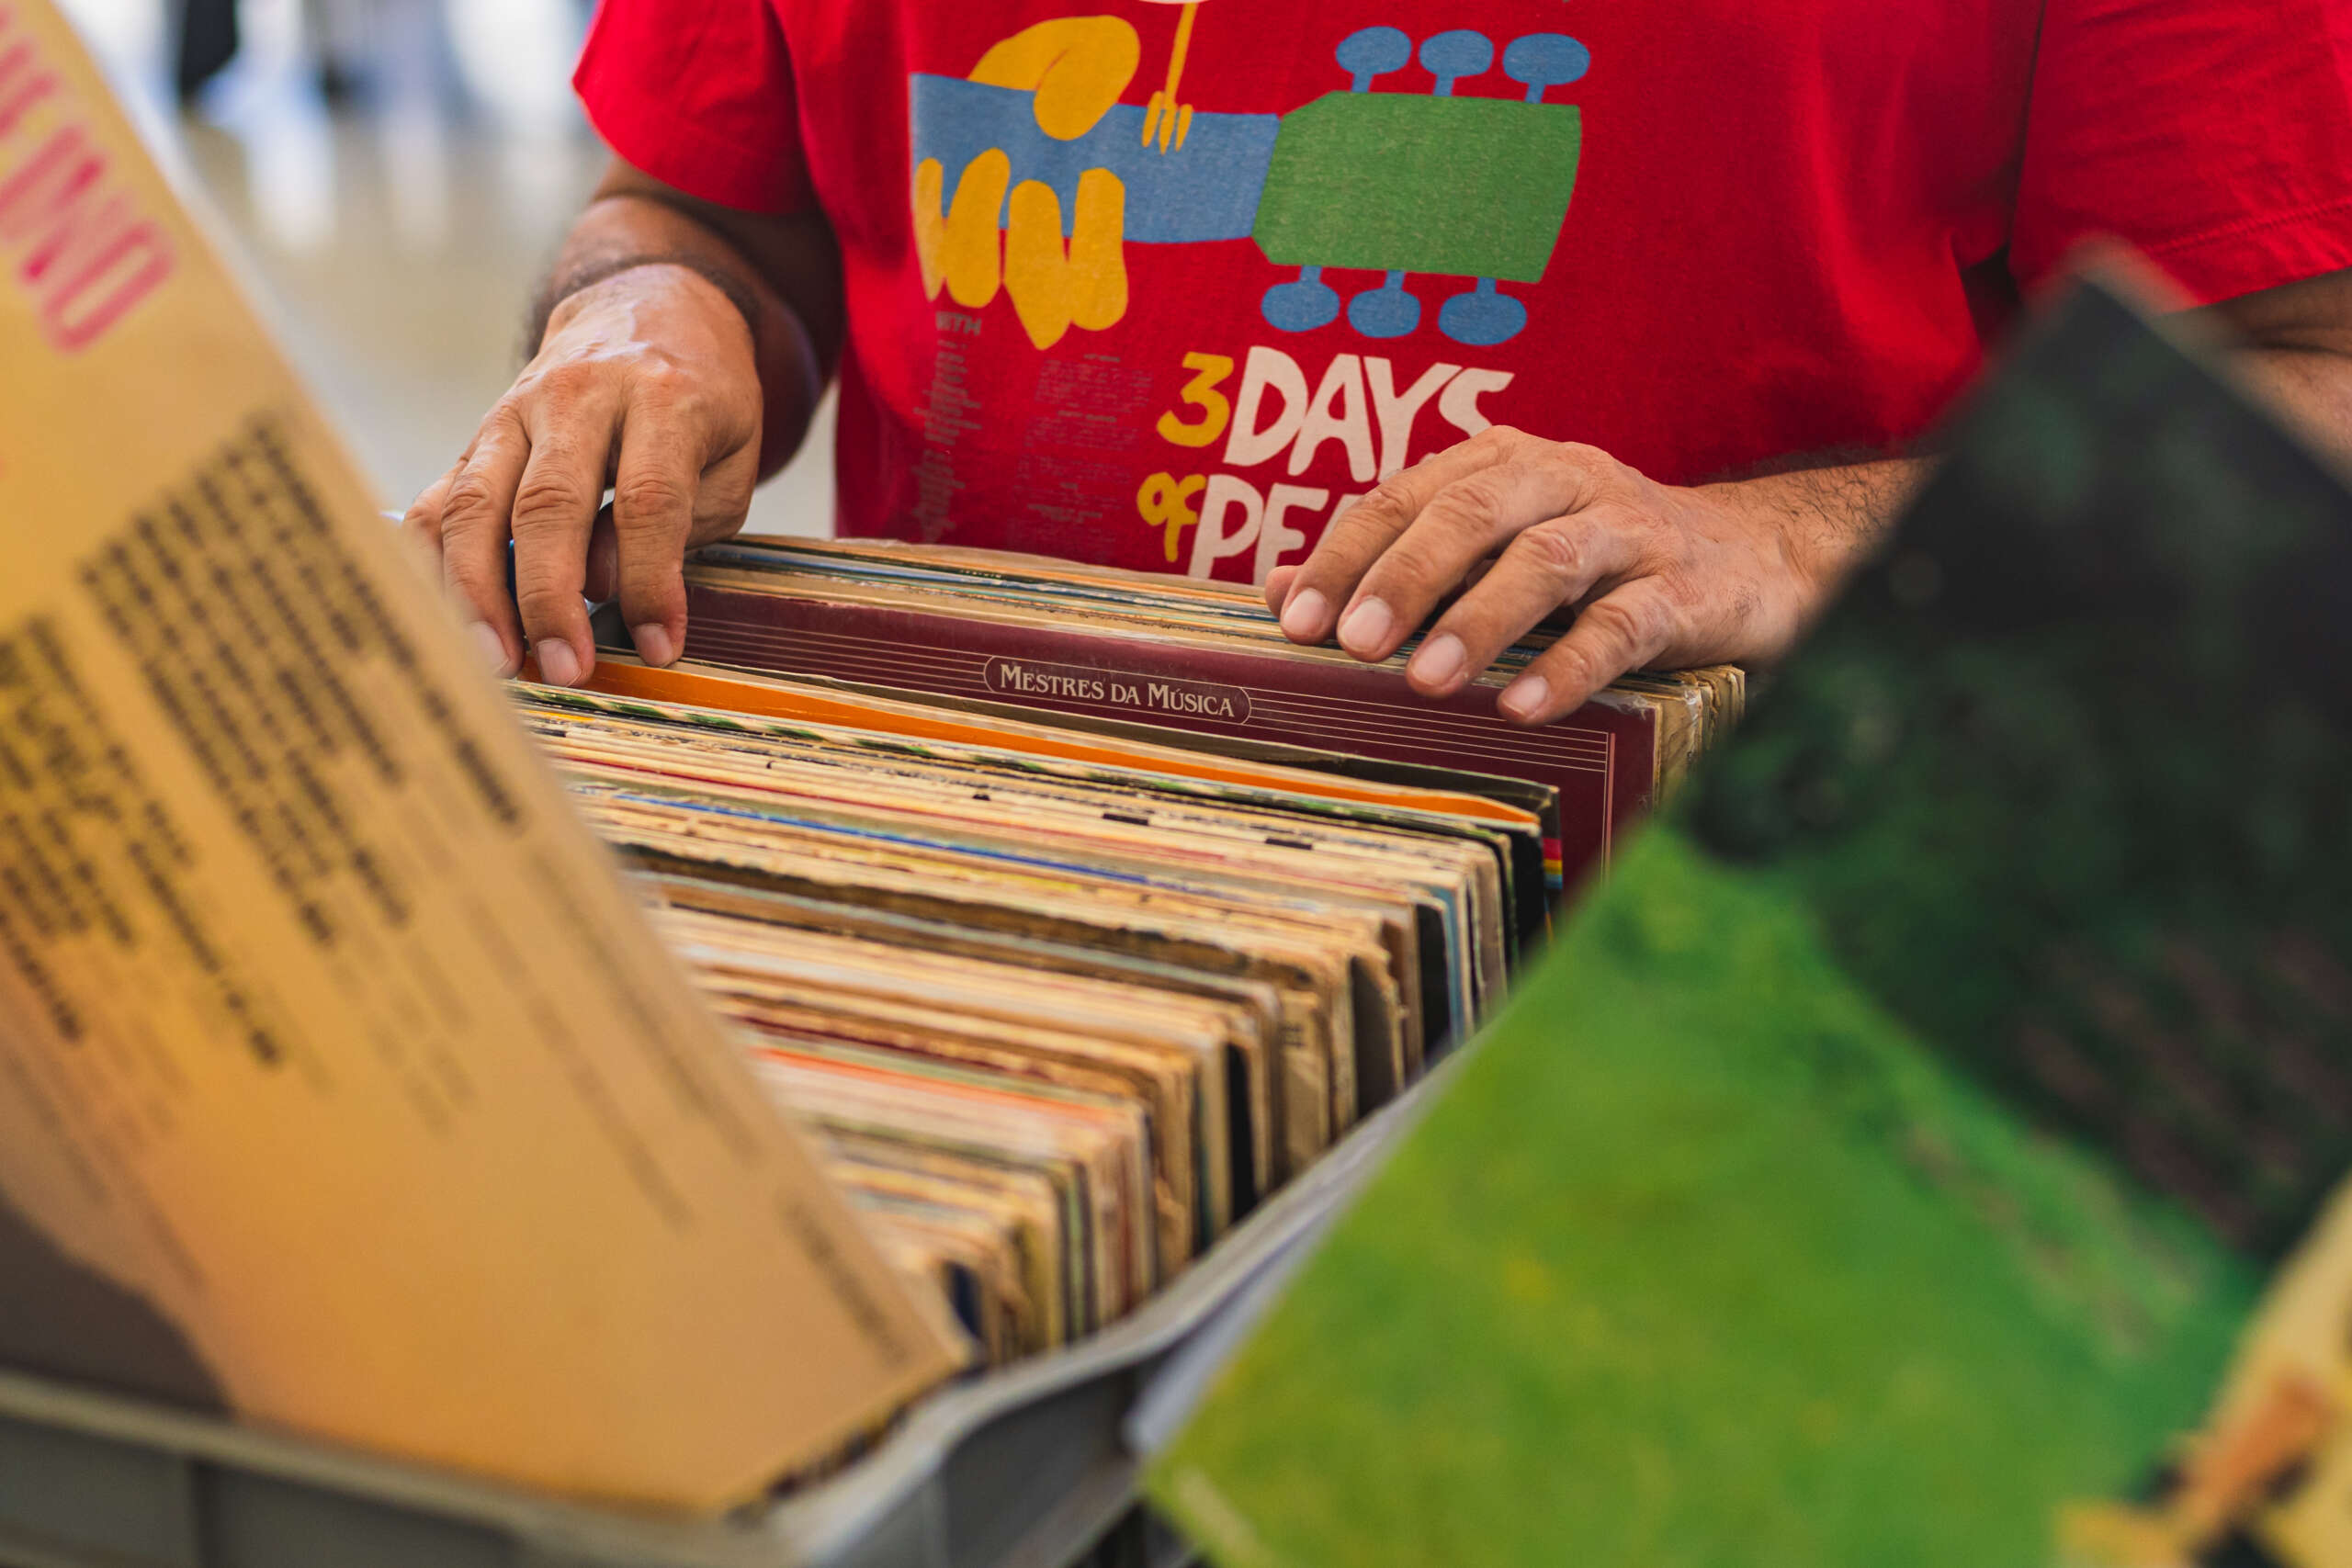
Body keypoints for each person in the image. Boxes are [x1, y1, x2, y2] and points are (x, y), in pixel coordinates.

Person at [406, 0, 2352, 726]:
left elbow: (2306, 379)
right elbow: (709, 204)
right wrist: (640, 318)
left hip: (1696, 957)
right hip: (990, 870)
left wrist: (1784, 542)